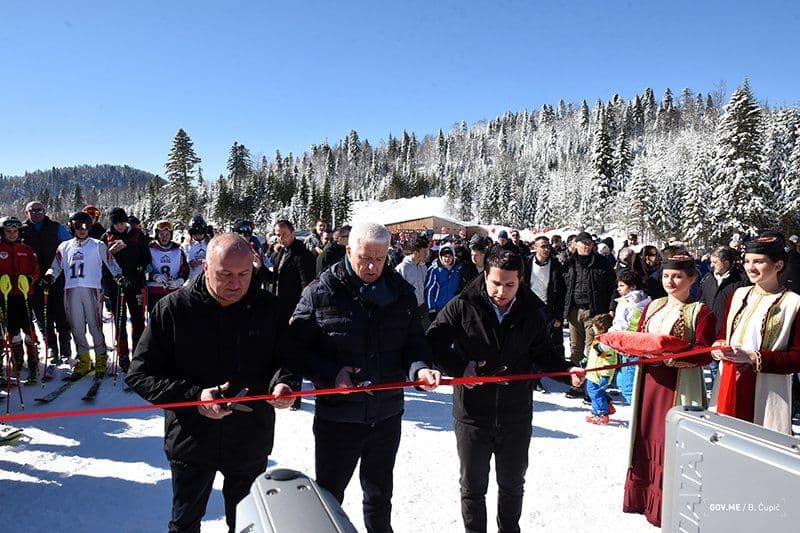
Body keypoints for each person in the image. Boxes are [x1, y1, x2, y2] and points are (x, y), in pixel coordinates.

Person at [126, 233, 299, 533]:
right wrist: (194, 396)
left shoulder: (269, 309)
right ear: (205, 267)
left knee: (248, 525)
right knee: (185, 523)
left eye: (244, 274)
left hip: (249, 437)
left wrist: (284, 383)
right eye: (225, 274)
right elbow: (140, 375)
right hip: (192, 439)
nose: (236, 284)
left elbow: (287, 359)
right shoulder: (173, 309)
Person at [289, 221, 440, 532]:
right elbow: (295, 350)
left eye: (379, 259)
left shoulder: (401, 293)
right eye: (364, 258)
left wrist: (420, 367)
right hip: (338, 419)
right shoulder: (320, 293)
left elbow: (414, 342)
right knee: (330, 497)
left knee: (380, 497)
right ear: (348, 250)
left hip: (386, 415)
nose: (372, 267)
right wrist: (331, 374)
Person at [427, 250, 584, 533]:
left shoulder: (533, 311)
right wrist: (460, 367)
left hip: (515, 414)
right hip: (473, 414)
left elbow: (543, 354)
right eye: (496, 283)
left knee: (512, 484)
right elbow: (434, 343)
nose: (502, 292)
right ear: (485, 275)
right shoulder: (463, 304)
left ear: (521, 281)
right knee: (473, 486)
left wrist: (565, 371)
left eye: (510, 285)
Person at [623, 254, 715, 528]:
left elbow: (704, 353)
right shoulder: (654, 306)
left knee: (670, 439)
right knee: (645, 433)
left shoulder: (700, 312)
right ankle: (643, 498)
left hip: (679, 384)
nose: (670, 281)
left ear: (692, 278)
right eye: (666, 276)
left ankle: (668, 505)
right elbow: (641, 337)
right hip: (649, 382)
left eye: (677, 276)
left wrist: (671, 357)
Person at [710, 234, 800, 434]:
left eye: (759, 262)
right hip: (729, 382)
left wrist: (753, 358)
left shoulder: (793, 303)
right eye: (747, 261)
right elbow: (723, 334)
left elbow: (796, 358)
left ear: (778, 265)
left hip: (768, 391)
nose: (750, 267)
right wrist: (719, 346)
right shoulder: (738, 295)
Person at [43, 211, 127, 380]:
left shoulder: (98, 244)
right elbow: (55, 266)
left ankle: (101, 357)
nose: (82, 229)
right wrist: (49, 276)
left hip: (92, 289)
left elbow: (111, 262)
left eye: (86, 226)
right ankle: (84, 359)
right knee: (77, 326)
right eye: (78, 226)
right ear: (71, 227)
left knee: (95, 325)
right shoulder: (64, 246)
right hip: (71, 289)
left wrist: (119, 275)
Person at [561, 231, 616, 398]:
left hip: (594, 312)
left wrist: (611, 307)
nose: (587, 246)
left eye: (589, 244)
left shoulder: (603, 263)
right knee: (575, 349)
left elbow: (613, 287)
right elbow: (562, 287)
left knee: (593, 351)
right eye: (583, 243)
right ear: (575, 244)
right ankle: (577, 386)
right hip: (574, 311)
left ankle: (592, 389)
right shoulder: (569, 263)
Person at [20, 201, 73, 364]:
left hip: (57, 277)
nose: (36, 213)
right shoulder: (21, 230)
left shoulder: (57, 227)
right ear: (26, 212)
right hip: (33, 280)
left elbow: (71, 247)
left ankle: (65, 348)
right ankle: (51, 348)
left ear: (45, 211)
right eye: (32, 210)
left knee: (61, 314)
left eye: (39, 210)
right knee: (42, 316)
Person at [100, 207, 150, 372]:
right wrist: (107, 291)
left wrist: (140, 267)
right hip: (116, 286)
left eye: (122, 222)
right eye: (116, 223)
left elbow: (146, 257)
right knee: (120, 322)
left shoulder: (137, 234)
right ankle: (122, 354)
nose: (120, 226)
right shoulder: (106, 237)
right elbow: (101, 263)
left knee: (138, 320)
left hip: (135, 284)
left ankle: (139, 353)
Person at [0, 216, 41, 383]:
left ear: (20, 232)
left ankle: (33, 361)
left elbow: (36, 269)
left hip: (24, 294)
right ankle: (17, 359)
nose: (12, 234)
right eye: (8, 231)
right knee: (12, 328)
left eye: (15, 231)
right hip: (5, 295)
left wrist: (30, 279)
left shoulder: (27, 250)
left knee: (28, 326)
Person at [610, 270, 651, 403]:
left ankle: (637, 410)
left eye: (622, 286)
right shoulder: (647, 300)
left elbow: (620, 324)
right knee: (628, 376)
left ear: (632, 286)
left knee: (627, 386)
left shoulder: (626, 303)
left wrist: (609, 336)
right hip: (640, 344)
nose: (618, 289)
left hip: (627, 343)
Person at [264, 219, 315, 323]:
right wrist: (260, 267)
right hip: (279, 307)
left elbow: (307, 286)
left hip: (294, 309)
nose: (281, 238)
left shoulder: (303, 255)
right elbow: (274, 278)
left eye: (284, 234)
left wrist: (299, 311)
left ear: (292, 233)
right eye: (278, 235)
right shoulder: (281, 252)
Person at [146, 220, 189, 312]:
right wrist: (154, 276)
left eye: (167, 234)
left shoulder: (178, 251)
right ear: (157, 235)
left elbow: (185, 270)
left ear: (171, 235)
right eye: (161, 234)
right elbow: (144, 269)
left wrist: (180, 280)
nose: (164, 237)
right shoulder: (150, 250)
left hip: (173, 291)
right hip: (155, 292)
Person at [583, 313, 617, 425]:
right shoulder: (598, 340)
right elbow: (596, 356)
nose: (593, 329)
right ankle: (606, 406)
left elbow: (609, 361)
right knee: (598, 392)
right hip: (593, 372)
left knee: (594, 393)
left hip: (598, 375)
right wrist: (586, 360)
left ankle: (601, 414)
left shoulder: (606, 345)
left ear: (601, 329)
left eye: (594, 328)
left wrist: (605, 375)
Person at [396, 236, 430, 326]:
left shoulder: (424, 267)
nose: (426, 254)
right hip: (407, 308)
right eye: (424, 251)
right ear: (416, 252)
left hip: (422, 307)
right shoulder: (403, 268)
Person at [425, 244, 463, 322]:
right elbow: (429, 290)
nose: (447, 259)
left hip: (453, 306)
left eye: (449, 256)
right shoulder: (434, 270)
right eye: (445, 256)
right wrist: (431, 308)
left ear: (453, 257)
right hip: (439, 307)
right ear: (440, 257)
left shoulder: (458, 269)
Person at [184, 215, 211, 281]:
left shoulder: (209, 244)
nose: (197, 236)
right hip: (193, 278)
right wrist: (200, 261)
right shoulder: (188, 245)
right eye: (194, 233)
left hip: (207, 276)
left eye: (200, 233)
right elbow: (190, 263)